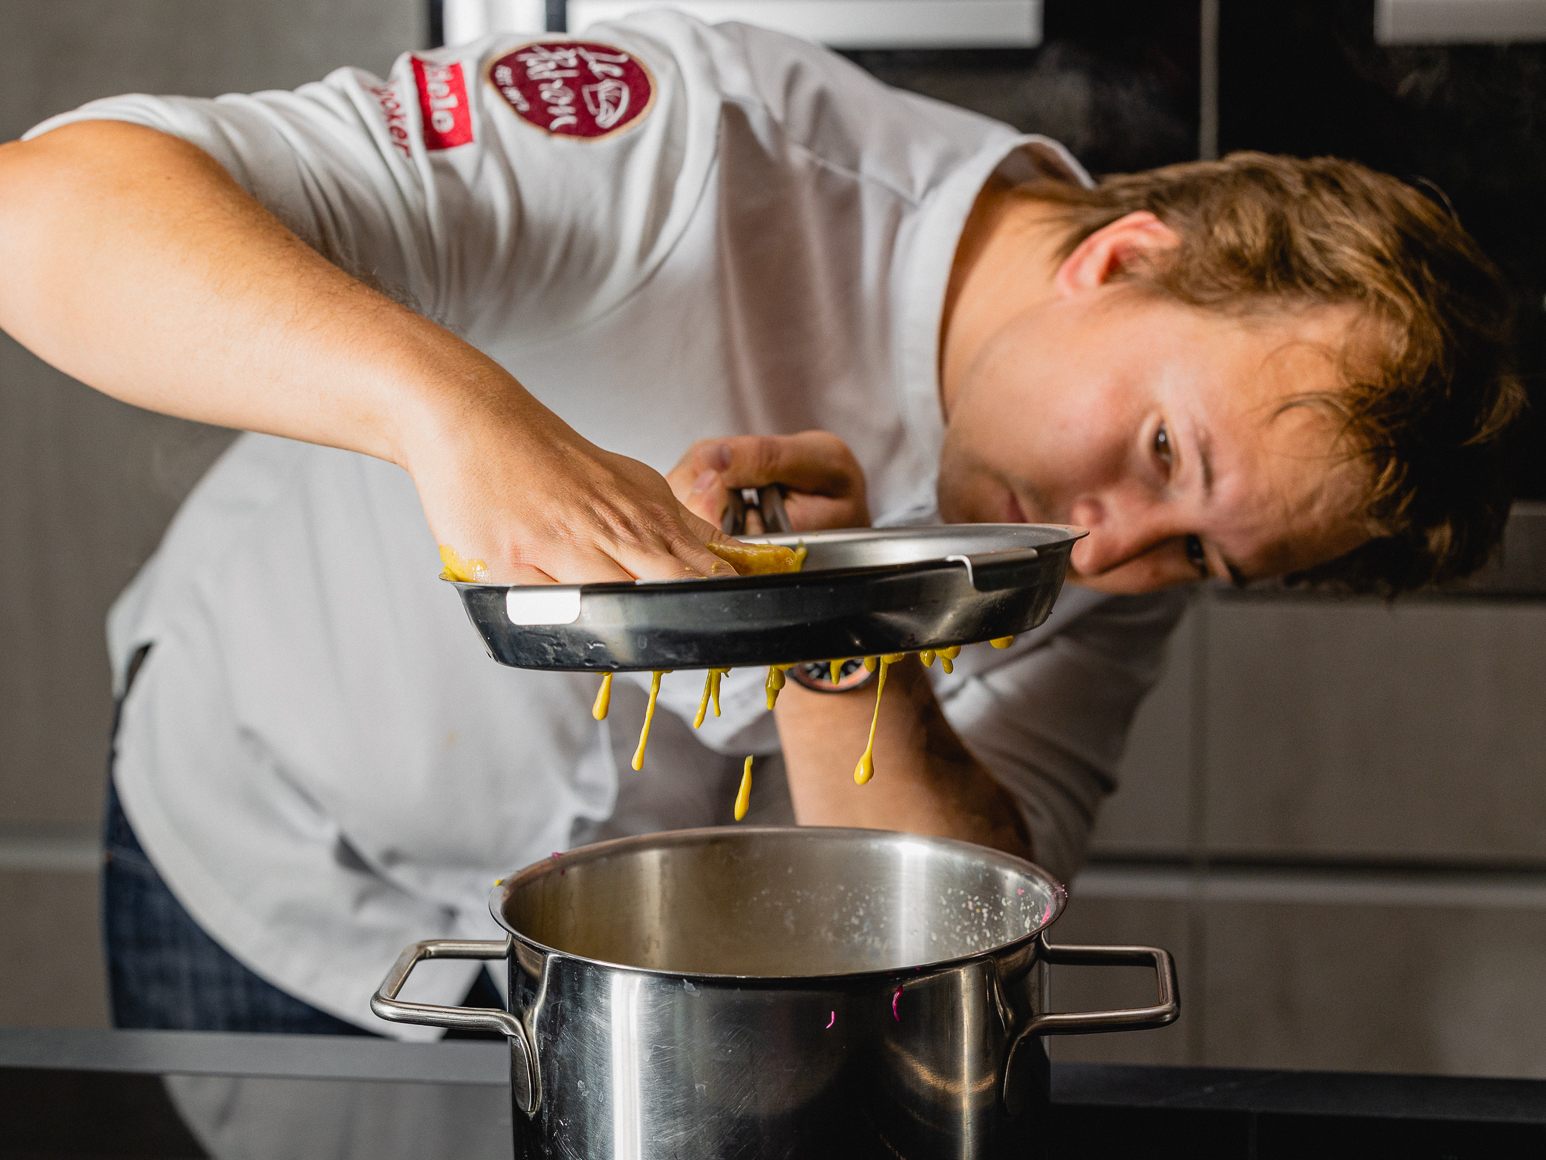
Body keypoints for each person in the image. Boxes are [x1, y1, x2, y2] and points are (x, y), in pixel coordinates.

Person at [0, 12, 1522, 1036]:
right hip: (260, 868)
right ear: (1118, 258)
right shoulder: (685, 137)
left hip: (618, 1001)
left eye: (1201, 554)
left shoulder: (1118, 538)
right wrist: (459, 415)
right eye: (1163, 449)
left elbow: (946, 940)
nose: (1110, 549)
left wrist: (836, 635)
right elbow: (44, 205)